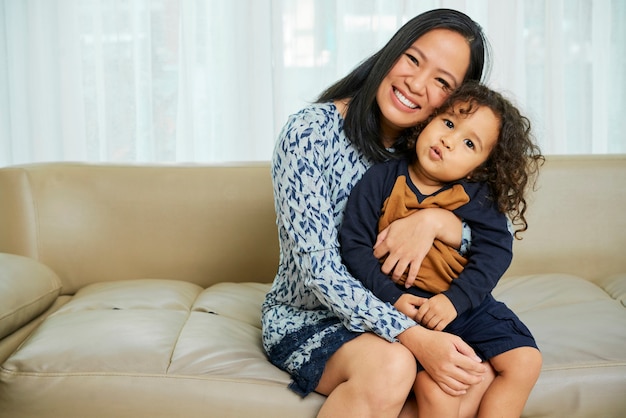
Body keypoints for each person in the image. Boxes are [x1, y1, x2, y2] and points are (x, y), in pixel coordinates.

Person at [262, 8, 495, 418]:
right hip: (314, 316)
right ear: (391, 52)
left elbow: (495, 235)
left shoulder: (438, 150)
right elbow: (320, 272)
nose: (417, 84)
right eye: (412, 59)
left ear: (458, 100)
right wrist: (412, 335)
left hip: (417, 308)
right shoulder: (310, 134)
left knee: (475, 371)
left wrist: (437, 222)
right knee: (393, 365)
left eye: (442, 81)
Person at [340, 81, 544, 417]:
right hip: (412, 309)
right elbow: (354, 247)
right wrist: (393, 299)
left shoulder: (477, 196)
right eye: (448, 123)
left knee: (526, 360)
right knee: (439, 391)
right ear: (427, 121)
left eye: (468, 143)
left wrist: (456, 300)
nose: (448, 141)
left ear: (480, 166)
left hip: (465, 303)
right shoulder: (380, 180)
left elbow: (495, 252)